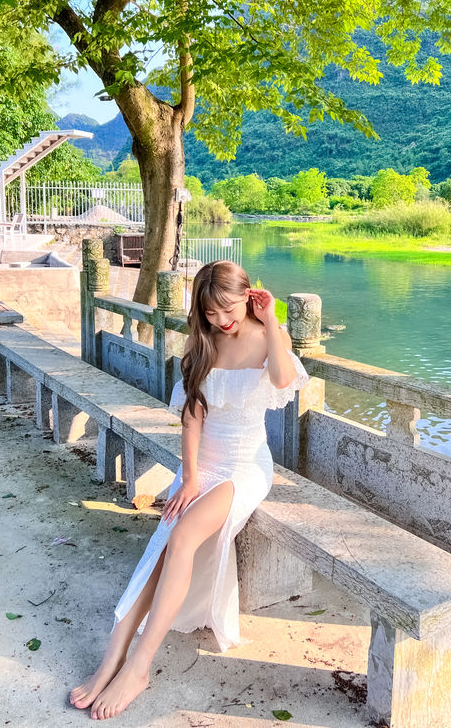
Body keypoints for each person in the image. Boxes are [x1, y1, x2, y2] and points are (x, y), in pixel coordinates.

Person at [70, 260, 309, 721]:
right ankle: (109, 664)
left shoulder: (266, 336)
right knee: (158, 554)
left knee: (180, 537)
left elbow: (282, 380)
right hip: (203, 468)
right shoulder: (203, 345)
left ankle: (139, 667)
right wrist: (191, 477)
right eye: (212, 312)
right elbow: (192, 420)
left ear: (248, 296)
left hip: (244, 468)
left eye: (229, 307)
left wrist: (274, 319)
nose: (223, 319)